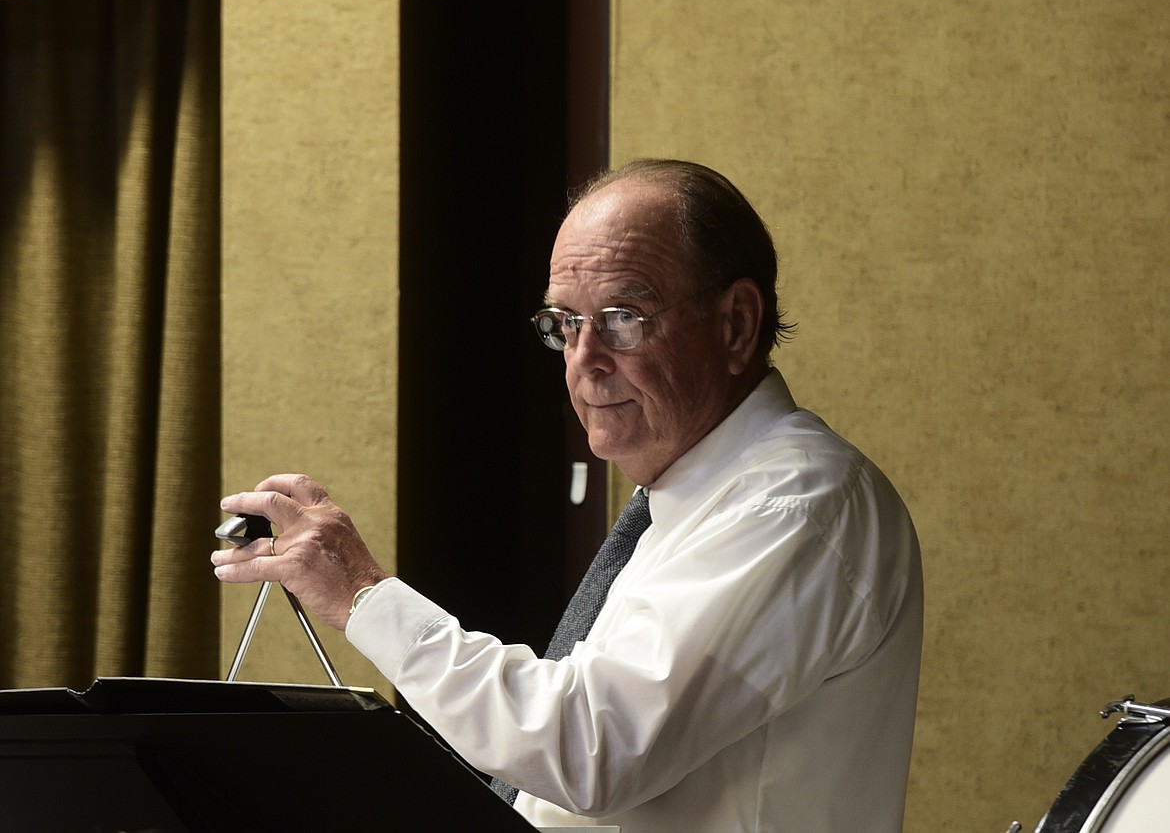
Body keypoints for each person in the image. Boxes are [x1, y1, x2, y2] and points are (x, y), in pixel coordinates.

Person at [212, 159, 923, 833]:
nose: (585, 363)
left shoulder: (793, 503)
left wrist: (363, 594)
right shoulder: (690, 500)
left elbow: (592, 750)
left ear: (736, 325)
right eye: (566, 325)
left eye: (622, 317)